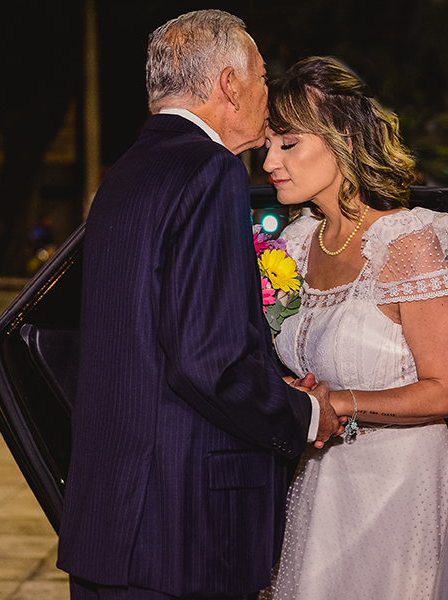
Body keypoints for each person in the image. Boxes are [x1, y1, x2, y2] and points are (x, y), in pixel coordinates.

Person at [56, 11, 342, 600]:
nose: (267, 93)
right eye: (262, 77)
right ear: (229, 84)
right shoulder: (210, 170)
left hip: (112, 524)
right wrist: (305, 414)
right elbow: (207, 359)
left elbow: (149, 337)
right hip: (179, 531)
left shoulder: (126, 171)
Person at [261, 56, 448, 599]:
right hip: (322, 486)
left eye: (288, 144)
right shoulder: (295, 245)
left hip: (400, 490)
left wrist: (337, 402)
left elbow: (447, 391)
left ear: (345, 140)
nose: (269, 161)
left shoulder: (405, 243)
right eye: (268, 144)